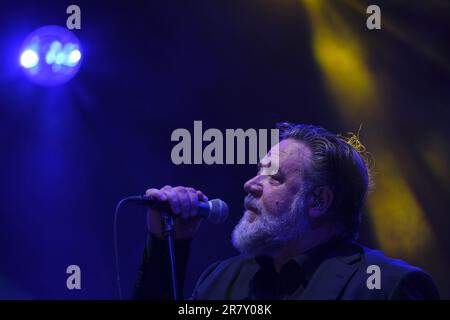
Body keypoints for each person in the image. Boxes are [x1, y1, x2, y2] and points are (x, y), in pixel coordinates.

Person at [133, 123, 439, 300]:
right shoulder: (221, 280)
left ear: (318, 201)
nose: (250, 184)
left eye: (274, 178)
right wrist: (166, 244)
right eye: (258, 172)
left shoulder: (389, 287)